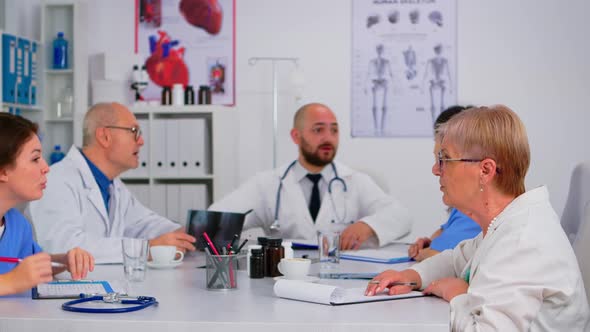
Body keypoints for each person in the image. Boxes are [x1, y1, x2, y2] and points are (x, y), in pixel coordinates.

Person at [366, 105, 589, 330]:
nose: (435, 170)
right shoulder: (503, 226)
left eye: (444, 159)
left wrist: (457, 295)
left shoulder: (523, 242)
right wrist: (410, 275)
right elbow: (455, 260)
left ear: (485, 171)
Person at [209, 103, 411, 250]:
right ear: (296, 136)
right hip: (284, 280)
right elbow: (216, 219)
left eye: (334, 130)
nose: (328, 138)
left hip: (342, 279)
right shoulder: (268, 184)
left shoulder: (355, 181)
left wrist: (368, 225)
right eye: (318, 130)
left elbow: (402, 217)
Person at [27, 102, 196, 264]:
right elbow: (64, 248)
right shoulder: (57, 180)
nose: (141, 141)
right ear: (105, 136)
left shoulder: (112, 185)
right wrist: (146, 249)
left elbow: (144, 223)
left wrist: (185, 234)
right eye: (134, 131)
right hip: (56, 289)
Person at [0, 113, 94, 296]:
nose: (46, 167)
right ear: (3, 171)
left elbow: (29, 266)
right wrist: (11, 282)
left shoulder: (17, 225)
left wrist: (65, 261)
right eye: (35, 159)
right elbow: (18, 277)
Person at [408, 106, 480, 262]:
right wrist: (431, 244)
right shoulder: (466, 207)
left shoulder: (475, 211)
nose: (435, 170)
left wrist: (425, 252)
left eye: (444, 158)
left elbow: (441, 257)